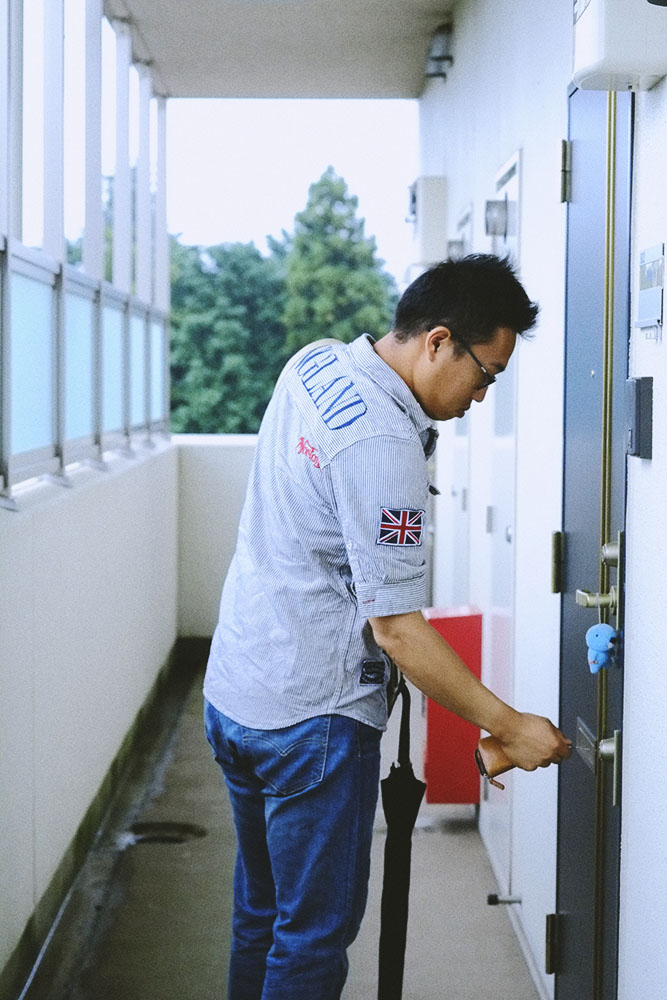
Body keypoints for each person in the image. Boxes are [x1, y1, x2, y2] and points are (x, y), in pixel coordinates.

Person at [203, 253, 572, 1000]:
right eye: (486, 374)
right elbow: (397, 630)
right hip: (310, 720)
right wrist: (509, 725)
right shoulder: (383, 444)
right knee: (310, 941)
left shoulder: (315, 363)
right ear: (438, 341)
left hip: (238, 689)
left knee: (261, 916)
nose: (481, 396)